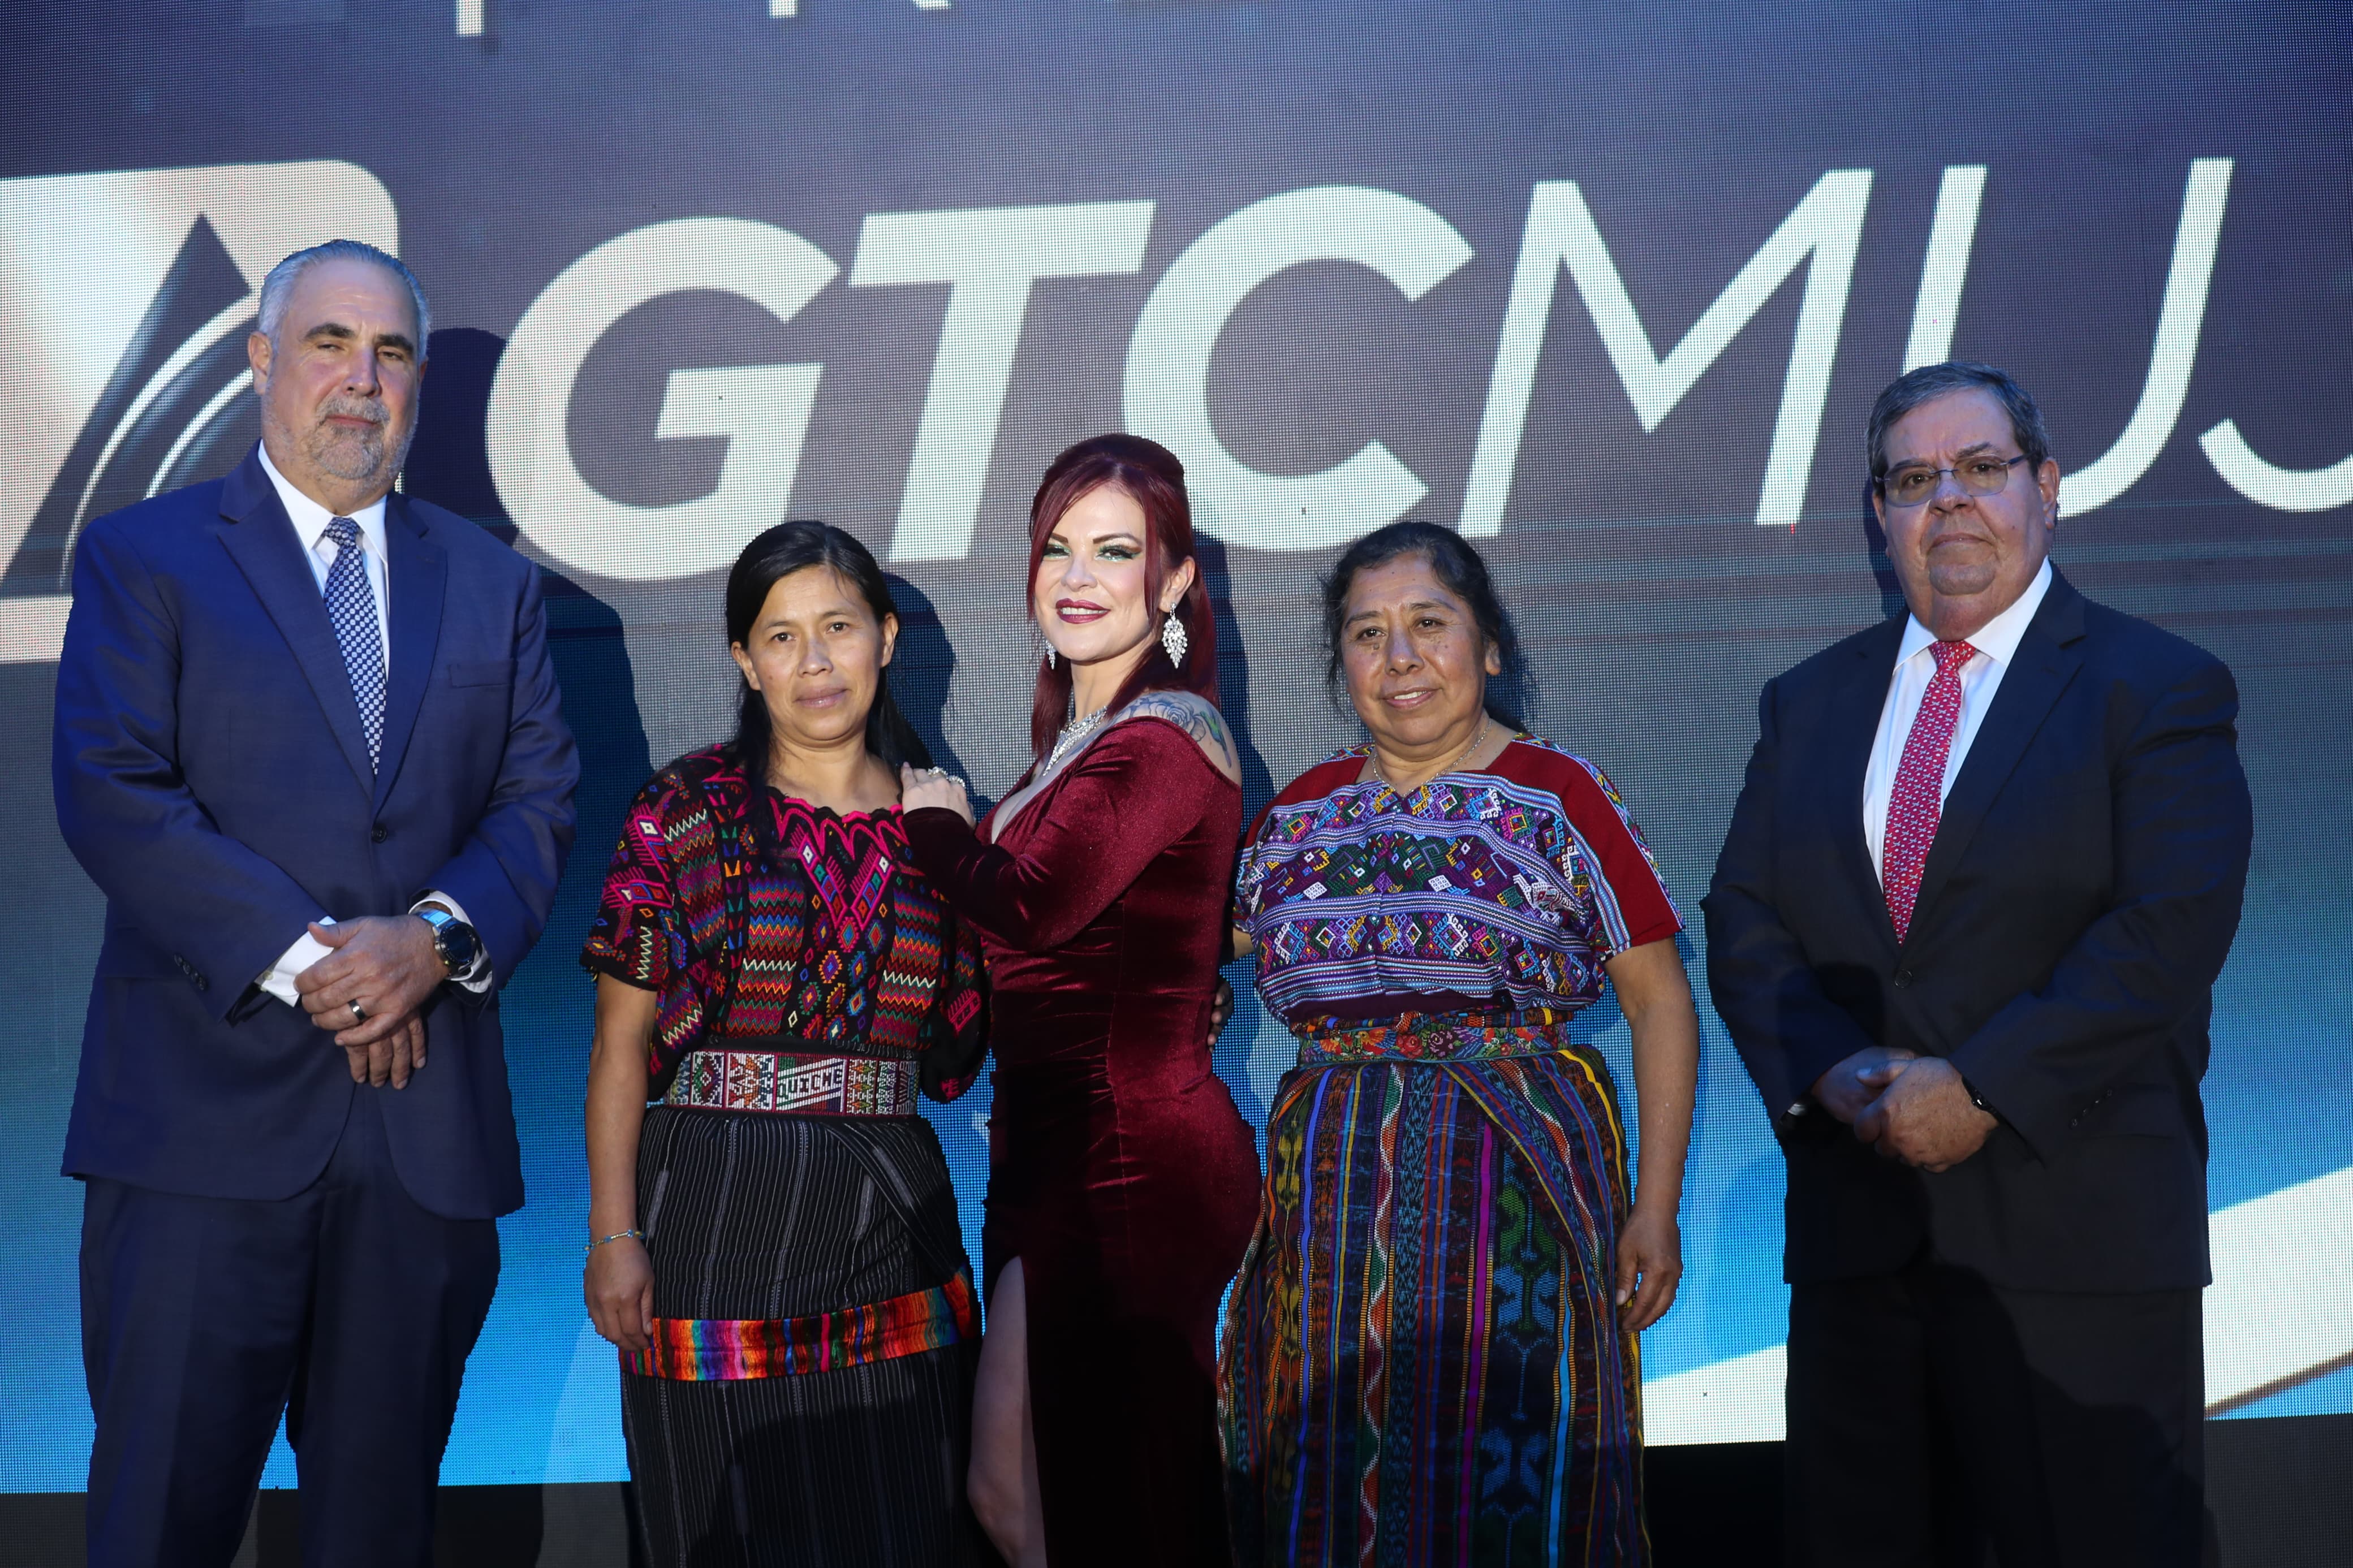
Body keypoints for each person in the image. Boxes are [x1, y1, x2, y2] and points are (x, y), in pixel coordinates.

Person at [52, 240, 579, 1566]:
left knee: (380, 1535)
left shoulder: (496, 584)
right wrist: (317, 963)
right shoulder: (145, 557)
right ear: (260, 362)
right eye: (332, 343)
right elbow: (115, 787)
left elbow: (534, 807)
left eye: (391, 352)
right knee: (158, 1523)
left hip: (419, 1147)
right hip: (199, 1135)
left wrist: (434, 941)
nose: (363, 380)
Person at [1703, 361, 2253, 1566]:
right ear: (1880, 514)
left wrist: (1982, 1086)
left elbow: (2166, 928)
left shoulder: (2155, 686)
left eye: (1981, 469)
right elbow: (1743, 916)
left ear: (2045, 489)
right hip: (1862, 1242)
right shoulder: (1807, 701)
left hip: (2077, 1244)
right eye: (1913, 479)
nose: (1948, 500)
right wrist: (1831, 1071)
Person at [1219, 521, 1699, 1566]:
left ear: (1487, 647)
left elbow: (1660, 1000)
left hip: (1511, 1179)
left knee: (1517, 1464)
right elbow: (1201, 969)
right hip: (1332, 1207)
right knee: (1332, 1466)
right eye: (1367, 633)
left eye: (1428, 625)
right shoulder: (1293, 817)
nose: (1400, 659)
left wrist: (1655, 1208)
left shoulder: (1559, 795)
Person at [580, 521, 992, 1565]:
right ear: (743, 659)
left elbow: (962, 1051)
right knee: (720, 1525)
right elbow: (622, 1048)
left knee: (903, 1520)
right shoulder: (684, 812)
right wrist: (615, 1236)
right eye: (781, 636)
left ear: (887, 639)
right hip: (715, 1213)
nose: (814, 663)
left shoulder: (940, 823)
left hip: (892, 1211)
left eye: (840, 628)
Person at [899, 433, 1258, 1567]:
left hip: (1133, 1158)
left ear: (1175, 583)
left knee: (1123, 1504)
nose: (1077, 577)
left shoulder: (1168, 734)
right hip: (1049, 1152)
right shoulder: (1071, 746)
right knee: (1008, 1490)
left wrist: (935, 824)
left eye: (1114, 550)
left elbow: (1035, 906)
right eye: (1057, 548)